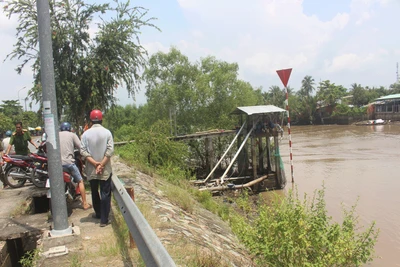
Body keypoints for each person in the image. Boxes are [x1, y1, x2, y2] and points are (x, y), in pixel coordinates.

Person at [80, 110, 114, 227]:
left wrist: (95, 164)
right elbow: (110, 151)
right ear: (101, 119)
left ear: (91, 120)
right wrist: (102, 165)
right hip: (105, 168)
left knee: (94, 191)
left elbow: (83, 151)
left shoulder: (85, 134)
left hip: (91, 168)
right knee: (105, 192)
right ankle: (104, 220)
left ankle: (98, 213)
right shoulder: (107, 133)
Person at [59, 122, 91, 210]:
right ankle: (84, 203)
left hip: (57, 165)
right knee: (80, 181)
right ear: (69, 128)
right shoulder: (72, 135)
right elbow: (81, 147)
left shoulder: (56, 135)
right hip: (69, 163)